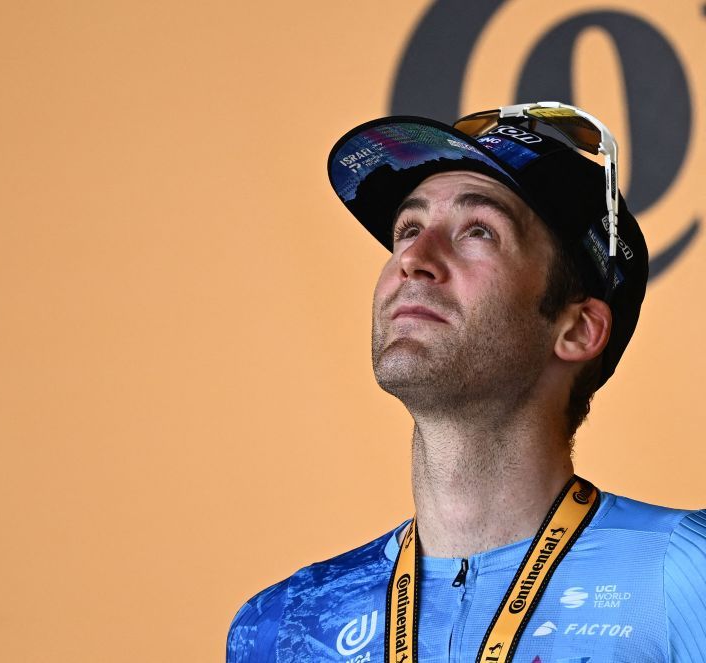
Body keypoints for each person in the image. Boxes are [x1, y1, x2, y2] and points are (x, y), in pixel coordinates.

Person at [226, 104, 706, 663]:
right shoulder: (283, 625)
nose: (413, 258)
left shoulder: (684, 578)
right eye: (408, 228)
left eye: (478, 230)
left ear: (576, 329)